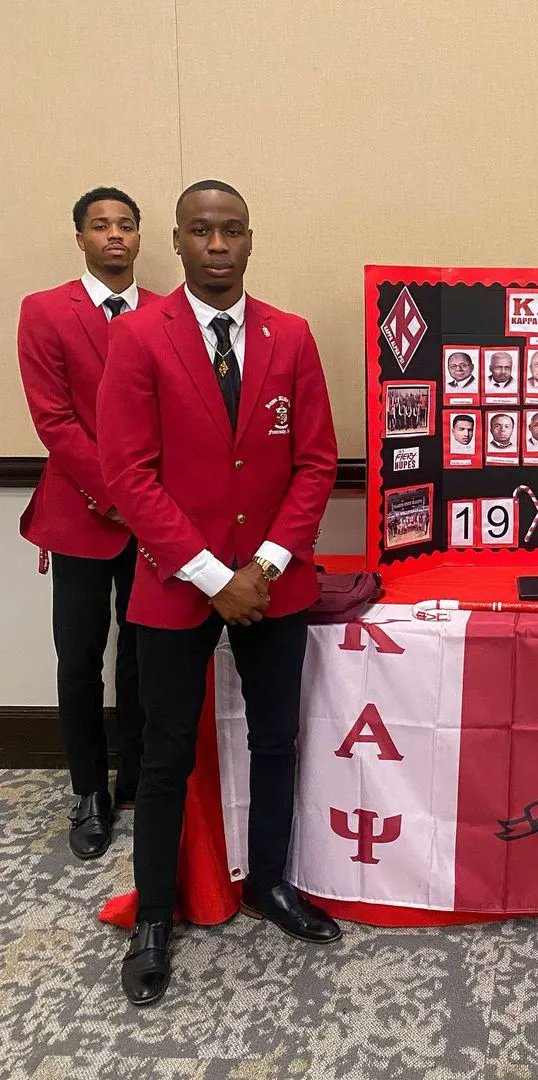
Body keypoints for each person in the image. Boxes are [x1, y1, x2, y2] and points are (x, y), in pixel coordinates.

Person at [97, 180, 341, 1007]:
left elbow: (315, 464)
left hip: (274, 581)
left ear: (250, 239)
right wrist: (211, 576)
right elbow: (129, 475)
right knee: (163, 758)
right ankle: (156, 921)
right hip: (177, 583)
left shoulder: (293, 337)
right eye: (200, 232)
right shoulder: (138, 339)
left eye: (231, 230)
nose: (217, 245)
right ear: (177, 241)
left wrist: (262, 570)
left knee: (277, 739)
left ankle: (269, 882)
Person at [18, 187, 161, 860]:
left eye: (125, 225)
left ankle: (134, 778)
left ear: (138, 238)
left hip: (151, 519)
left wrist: (147, 501)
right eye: (100, 225)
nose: (114, 235)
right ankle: (89, 791)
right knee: (79, 659)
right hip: (81, 512)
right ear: (80, 238)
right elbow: (53, 420)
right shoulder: (44, 311)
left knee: (143, 654)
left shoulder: (167, 312)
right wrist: (116, 494)